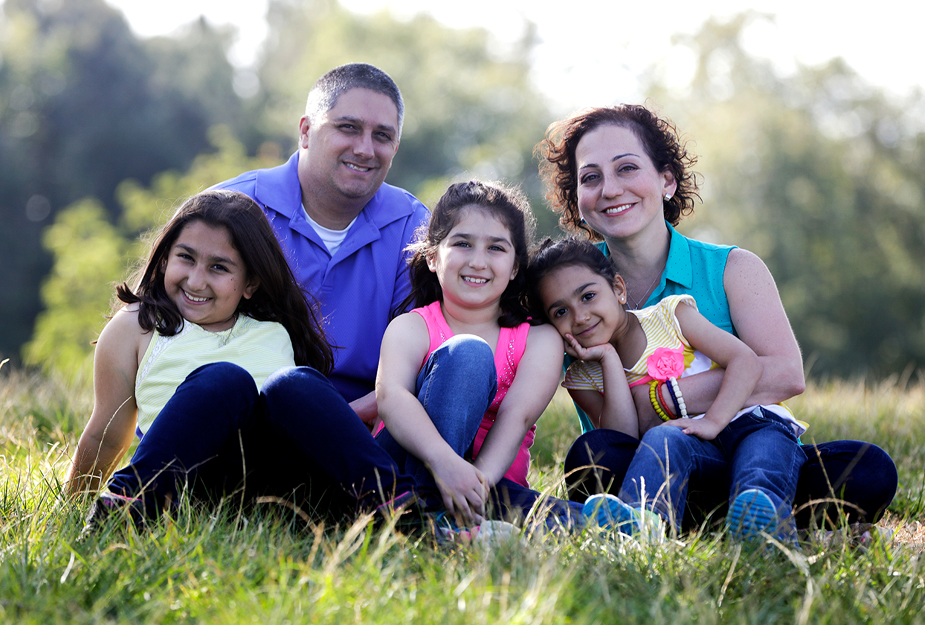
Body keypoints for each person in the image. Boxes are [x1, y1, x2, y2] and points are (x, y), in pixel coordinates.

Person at [536, 104, 897, 532]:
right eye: (591, 177)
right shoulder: (559, 292)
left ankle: (744, 509)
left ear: (666, 180)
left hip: (752, 443)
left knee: (867, 468)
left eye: (627, 169)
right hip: (650, 463)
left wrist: (665, 400)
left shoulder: (732, 269)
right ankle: (701, 517)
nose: (610, 189)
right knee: (592, 459)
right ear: (577, 199)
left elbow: (784, 374)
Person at [65, 190, 416, 524]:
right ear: (166, 257)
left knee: (294, 384)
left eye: (219, 268)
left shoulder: (273, 331)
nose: (196, 281)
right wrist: (71, 505)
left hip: (292, 492)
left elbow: (297, 423)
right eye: (186, 257)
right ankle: (130, 503)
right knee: (224, 380)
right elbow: (106, 435)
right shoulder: (137, 326)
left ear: (249, 284)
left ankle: (399, 509)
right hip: (196, 483)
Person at [529, 238, 807, 541]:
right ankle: (642, 525)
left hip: (753, 423)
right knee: (660, 438)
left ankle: (764, 531)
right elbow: (622, 440)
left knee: (761, 465)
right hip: (693, 448)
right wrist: (608, 358)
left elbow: (746, 362)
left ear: (619, 289)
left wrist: (713, 421)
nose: (579, 317)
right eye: (560, 312)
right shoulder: (583, 377)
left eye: (588, 296)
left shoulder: (670, 316)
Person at [213, 63, 428, 426]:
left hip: (362, 430)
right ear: (306, 131)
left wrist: (330, 427)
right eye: (348, 128)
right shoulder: (230, 207)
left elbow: (424, 358)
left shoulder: (414, 226)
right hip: (242, 423)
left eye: (381, 136)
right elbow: (157, 320)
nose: (364, 149)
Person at [374, 180, 583, 529]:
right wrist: (445, 464)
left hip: (490, 485)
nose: (478, 261)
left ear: (516, 267)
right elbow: (391, 398)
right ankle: (434, 516)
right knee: (468, 354)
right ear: (432, 257)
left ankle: (449, 521)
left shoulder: (540, 339)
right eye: (462, 244)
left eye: (496, 248)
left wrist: (475, 483)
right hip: (404, 478)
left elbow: (516, 417)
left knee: (565, 518)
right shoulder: (411, 328)